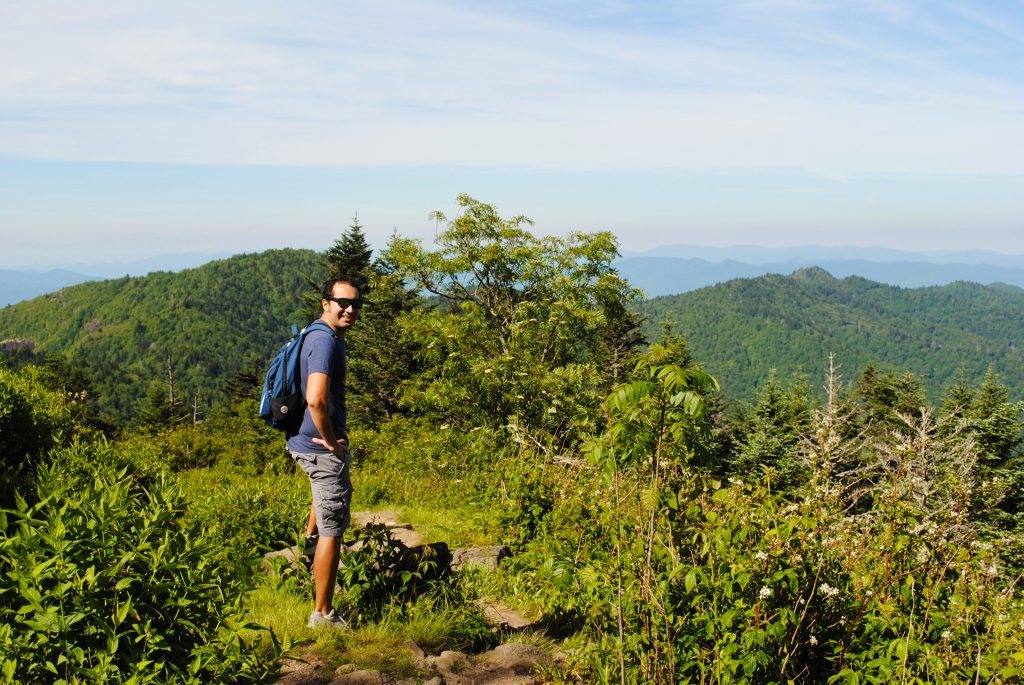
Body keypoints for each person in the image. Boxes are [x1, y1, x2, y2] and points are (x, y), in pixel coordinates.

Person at [287, 276, 362, 628]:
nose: (349, 309)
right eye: (342, 302)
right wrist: (332, 442)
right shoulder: (325, 342)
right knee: (333, 527)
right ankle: (323, 614)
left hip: (303, 443)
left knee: (322, 506)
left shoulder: (316, 334)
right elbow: (315, 398)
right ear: (325, 302)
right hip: (319, 448)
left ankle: (307, 549)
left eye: (355, 304)